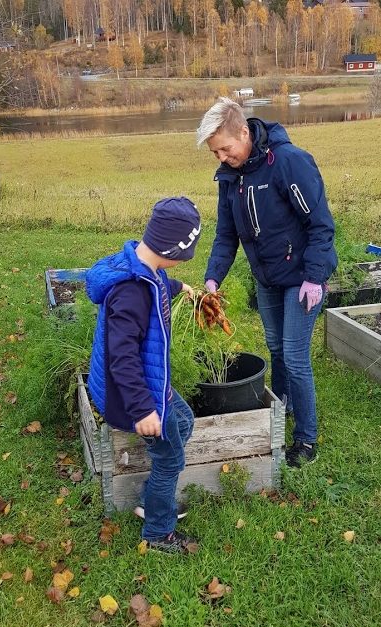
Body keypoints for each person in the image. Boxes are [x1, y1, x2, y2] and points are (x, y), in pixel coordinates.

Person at [197, 97, 337, 469]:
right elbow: (226, 235)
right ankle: (284, 406)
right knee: (275, 345)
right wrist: (213, 277)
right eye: (215, 153)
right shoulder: (231, 177)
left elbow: (321, 225)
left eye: (225, 149)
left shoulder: (288, 162)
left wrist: (315, 278)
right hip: (268, 276)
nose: (221, 158)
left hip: (303, 276)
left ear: (244, 132)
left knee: (294, 354)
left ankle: (306, 439)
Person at [86, 196, 201, 552]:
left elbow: (157, 286)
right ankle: (158, 532)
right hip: (136, 394)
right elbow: (122, 359)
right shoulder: (130, 294)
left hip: (153, 382)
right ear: (172, 249)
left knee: (183, 421)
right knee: (170, 458)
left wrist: (181, 287)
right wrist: (142, 409)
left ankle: (152, 499)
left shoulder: (144, 267)